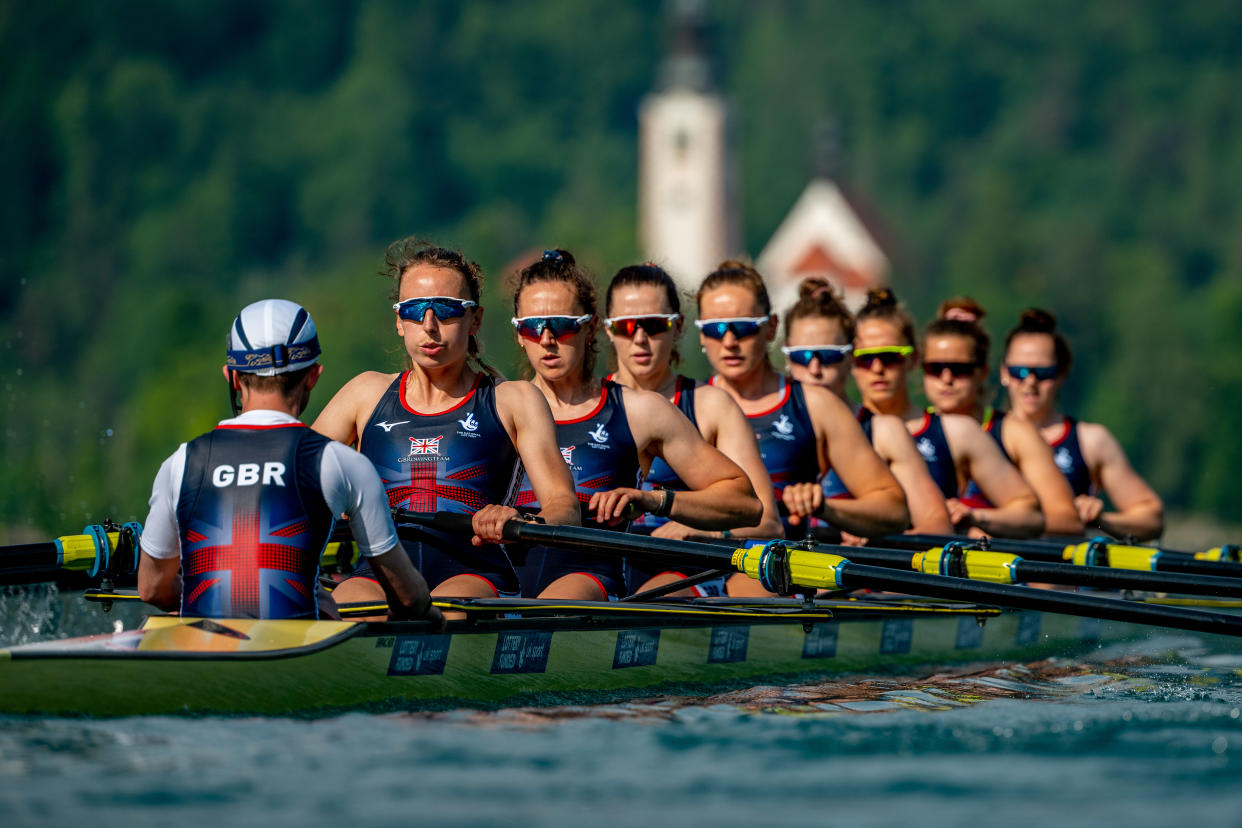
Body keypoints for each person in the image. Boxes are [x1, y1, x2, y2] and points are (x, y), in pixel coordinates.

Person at [137, 299, 442, 626]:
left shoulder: (181, 462)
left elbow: (152, 588)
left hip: (204, 653)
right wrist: (427, 614)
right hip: (297, 659)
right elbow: (407, 597)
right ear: (313, 376)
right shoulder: (340, 462)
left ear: (233, 377)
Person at [312, 240, 580, 612]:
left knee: (447, 609)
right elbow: (295, 478)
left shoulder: (513, 400)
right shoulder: (365, 393)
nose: (429, 325)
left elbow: (564, 507)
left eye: (447, 310)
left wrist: (520, 517)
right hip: (378, 574)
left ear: (476, 320)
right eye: (414, 310)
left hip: (475, 572)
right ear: (398, 321)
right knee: (348, 611)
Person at [511, 251, 762, 600]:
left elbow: (748, 505)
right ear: (518, 334)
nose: (547, 338)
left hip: (594, 584)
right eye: (531, 327)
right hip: (501, 576)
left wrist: (654, 500)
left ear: (591, 328)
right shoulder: (496, 404)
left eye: (564, 324)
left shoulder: (641, 410)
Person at [695, 261, 908, 595]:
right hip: (698, 564)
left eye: (745, 327)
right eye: (715, 329)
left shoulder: (815, 404)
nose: (730, 341)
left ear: (771, 328)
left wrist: (824, 506)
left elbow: (893, 509)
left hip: (777, 572)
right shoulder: (687, 404)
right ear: (701, 335)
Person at [603, 262, 783, 596]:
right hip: (603, 562)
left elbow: (767, 521)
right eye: (626, 326)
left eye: (655, 325)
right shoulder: (586, 406)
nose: (640, 338)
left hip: (686, 567)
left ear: (678, 326)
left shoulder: (711, 405)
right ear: (609, 330)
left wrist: (697, 527)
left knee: (654, 599)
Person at [851, 287, 1044, 538]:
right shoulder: (832, 428)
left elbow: (1030, 516)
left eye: (890, 357)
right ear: (849, 362)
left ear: (913, 359)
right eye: (864, 359)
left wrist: (975, 516)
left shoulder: (957, 431)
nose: (877, 368)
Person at [782, 279, 953, 537]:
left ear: (849, 357)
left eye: (828, 356)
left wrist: (869, 531)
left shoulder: (884, 430)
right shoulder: (751, 422)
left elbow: (937, 526)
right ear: (787, 359)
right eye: (801, 356)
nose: (814, 369)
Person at [1000, 309, 1164, 541]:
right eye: (1019, 372)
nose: (1030, 382)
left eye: (1044, 373)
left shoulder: (1091, 440)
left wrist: (1100, 521)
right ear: (1003, 373)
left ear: (1062, 374)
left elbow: (1151, 519)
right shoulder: (981, 435)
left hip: (1064, 569)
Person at [921, 306, 1085, 537]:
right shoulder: (907, 429)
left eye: (960, 370)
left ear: (983, 373)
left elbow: (1067, 521)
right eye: (934, 369)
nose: (946, 379)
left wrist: (980, 520)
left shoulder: (1014, 432)